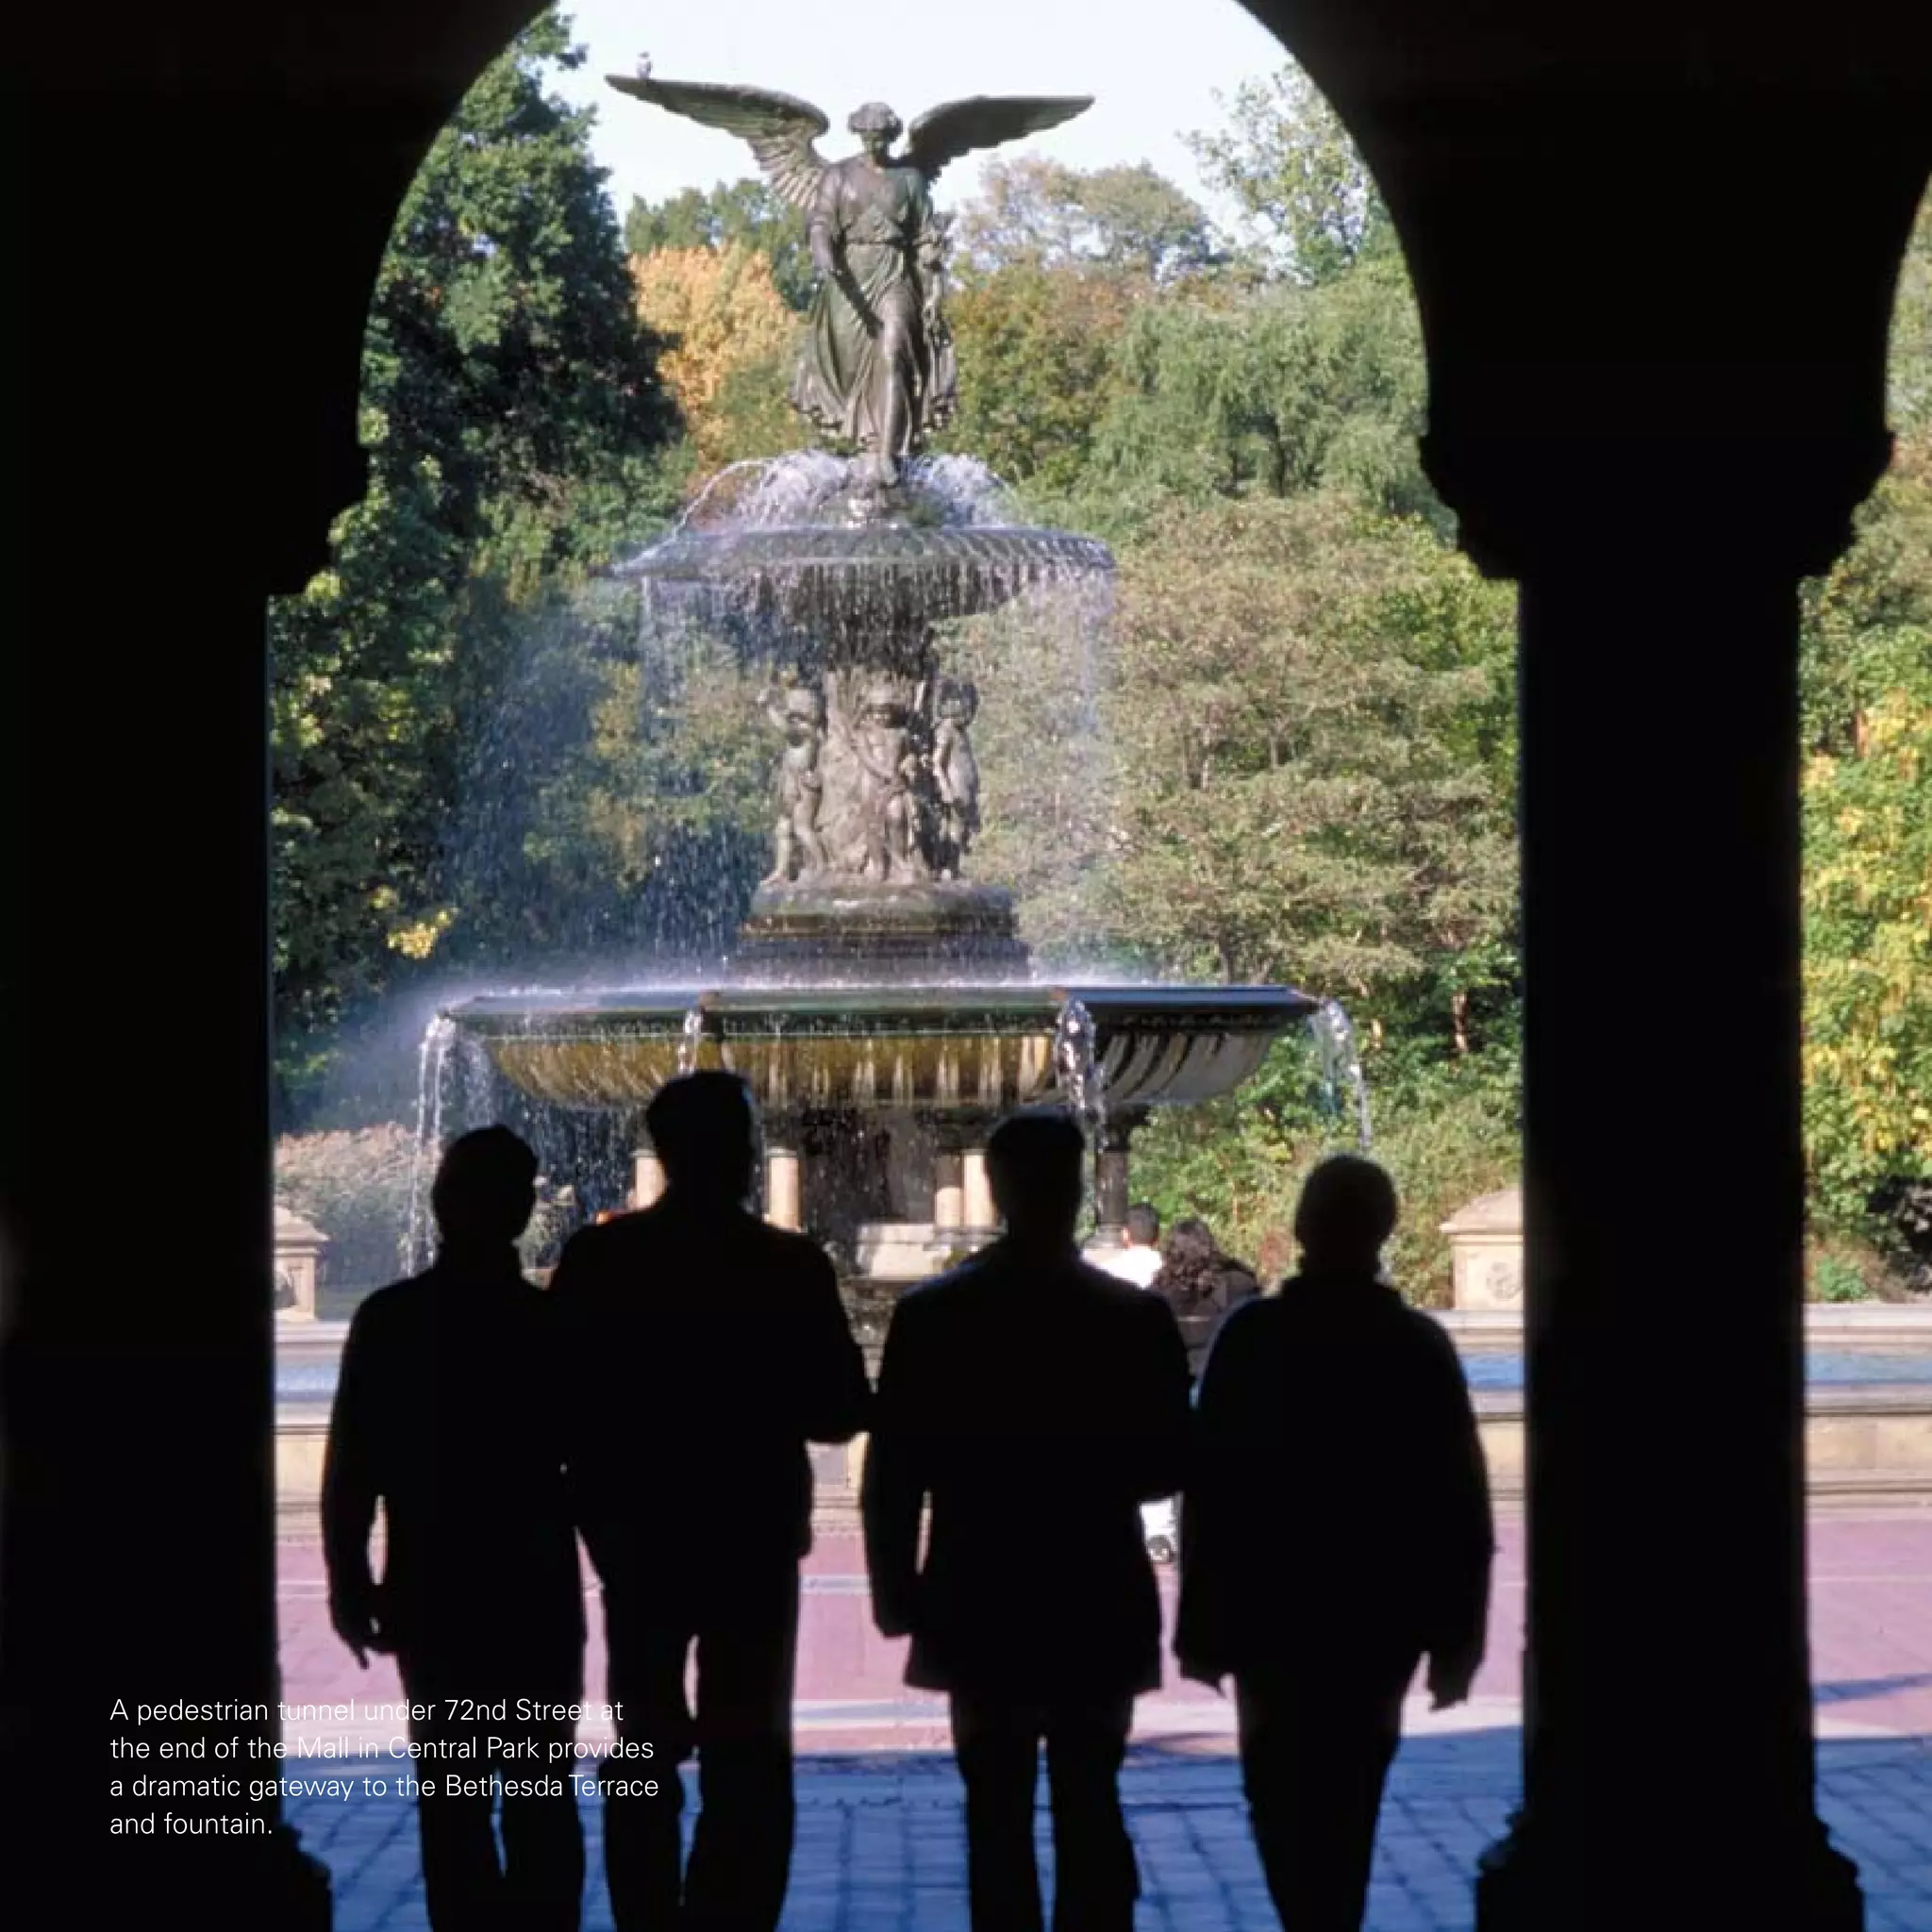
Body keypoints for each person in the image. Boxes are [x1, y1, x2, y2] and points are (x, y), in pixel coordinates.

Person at [548, 1072, 870, 1932]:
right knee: (752, 1751)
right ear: (742, 1155)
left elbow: (559, 1408)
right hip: (752, 1538)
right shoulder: (788, 1265)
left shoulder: (599, 1259)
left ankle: (647, 1915)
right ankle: (733, 1916)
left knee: (642, 1744)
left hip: (637, 1538)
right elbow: (839, 1412)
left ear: (663, 1151)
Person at [862, 1109, 1192, 1932]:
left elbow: (895, 1472)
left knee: (994, 1818)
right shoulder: (1133, 1320)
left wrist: (895, 1590)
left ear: (996, 1188)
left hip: (978, 1588)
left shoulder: (934, 1317)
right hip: (1096, 1586)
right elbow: (1169, 1464)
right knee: (1092, 1799)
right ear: (1078, 1188)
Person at [1174, 1154, 1494, 1932]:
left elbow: (1211, 1488)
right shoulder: (1416, 1346)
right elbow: (1459, 1504)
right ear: (1384, 1232)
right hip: (1376, 1616)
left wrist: (1201, 1628)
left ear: (1301, 1229)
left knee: (1277, 1795)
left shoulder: (1253, 1339)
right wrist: (1458, 1641)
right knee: (1355, 1794)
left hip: (1270, 1612)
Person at [322, 1125, 586, 1932]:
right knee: (541, 1799)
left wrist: (348, 1579)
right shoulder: (550, 1327)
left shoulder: (391, 1319)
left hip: (431, 1585)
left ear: (441, 1205)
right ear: (520, 1213)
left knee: (453, 1806)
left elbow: (351, 1469)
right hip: (533, 1585)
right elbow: (594, 1458)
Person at [1089, 1203, 1174, 1558]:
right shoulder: (1168, 1272)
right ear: (1157, 1235)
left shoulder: (1106, 1273)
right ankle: (1160, 1535)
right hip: (1153, 1373)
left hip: (1113, 1374)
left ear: (1125, 1234)